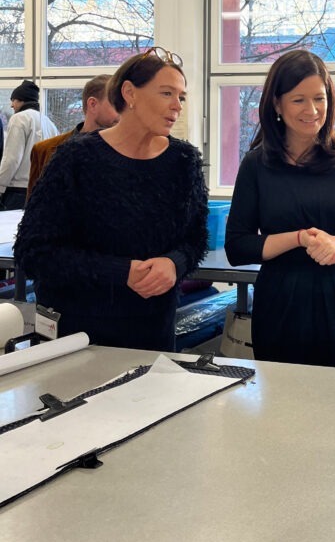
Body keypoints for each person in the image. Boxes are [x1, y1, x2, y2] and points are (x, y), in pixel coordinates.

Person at [15, 48, 208, 352]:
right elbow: (33, 251)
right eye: (166, 93)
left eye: (181, 97)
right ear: (129, 93)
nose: (177, 106)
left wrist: (174, 263)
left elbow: (195, 238)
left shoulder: (184, 160)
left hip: (153, 331)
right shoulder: (76, 158)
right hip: (79, 334)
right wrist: (120, 272)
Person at [225, 50, 335, 371]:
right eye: (298, 100)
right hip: (282, 303)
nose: (312, 110)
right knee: (283, 395)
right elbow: (237, 246)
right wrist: (299, 238)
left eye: (319, 98)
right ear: (277, 104)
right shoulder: (256, 164)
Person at [27, 74, 120, 196]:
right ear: (92, 104)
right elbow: (33, 202)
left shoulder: (130, 152)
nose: (123, 112)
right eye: (117, 105)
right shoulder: (44, 150)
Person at [0, 80, 57, 210]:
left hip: (18, 192)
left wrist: (0, 185)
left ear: (21, 100)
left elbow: (12, 159)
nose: (11, 105)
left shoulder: (19, 118)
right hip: (40, 190)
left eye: (13, 100)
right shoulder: (48, 122)